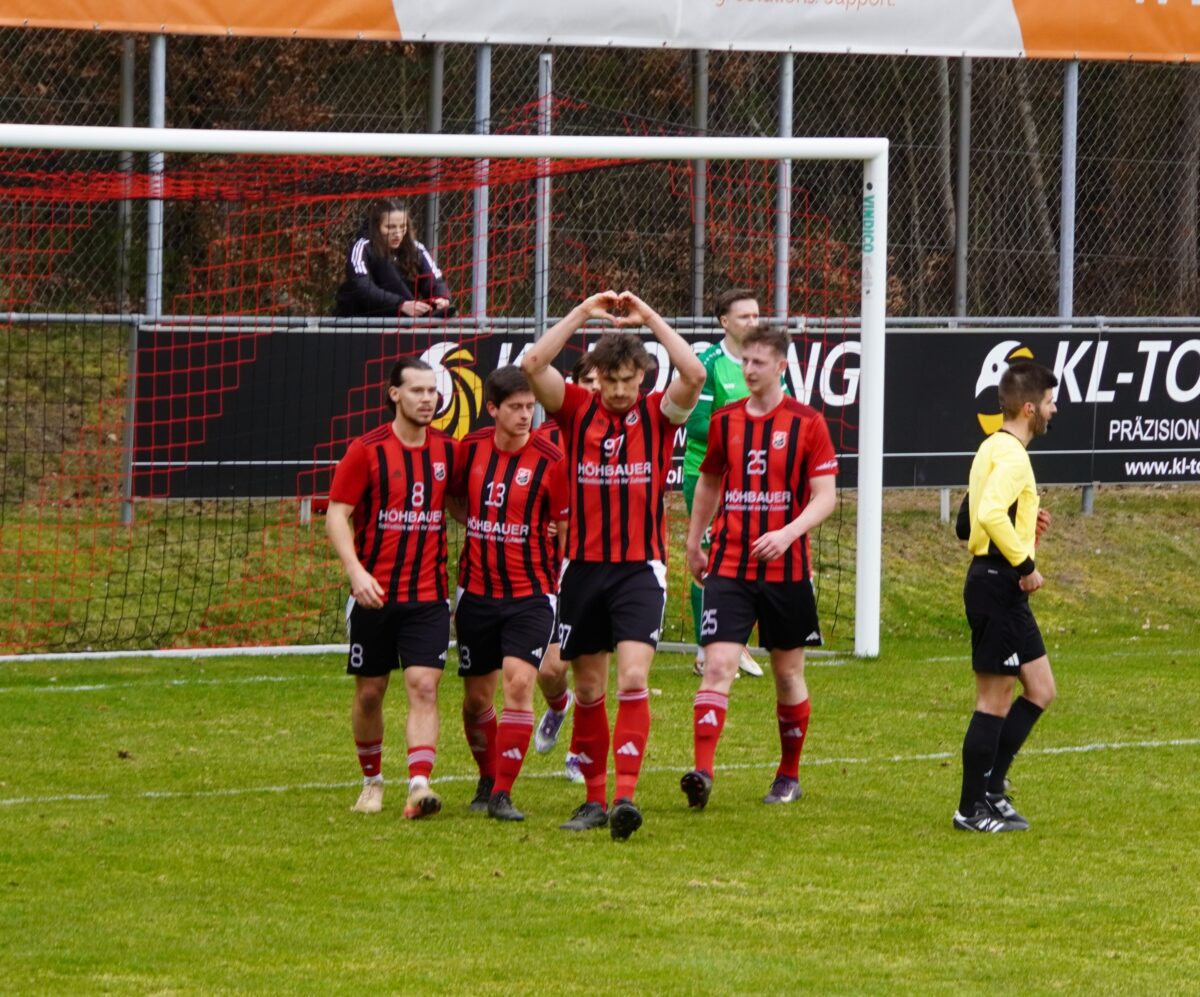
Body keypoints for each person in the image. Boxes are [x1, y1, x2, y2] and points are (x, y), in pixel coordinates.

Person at [522, 290, 706, 840]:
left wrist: (648, 316)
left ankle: (625, 796)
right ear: (596, 378)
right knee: (588, 689)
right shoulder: (575, 412)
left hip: (638, 571)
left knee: (633, 678)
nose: (622, 390)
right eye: (612, 380)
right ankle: (594, 800)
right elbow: (533, 364)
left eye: (630, 380)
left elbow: (694, 373)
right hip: (582, 569)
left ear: (643, 378)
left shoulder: (659, 416)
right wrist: (584, 312)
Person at [681, 325, 838, 810]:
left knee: (787, 675)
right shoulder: (725, 421)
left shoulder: (808, 423)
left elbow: (826, 497)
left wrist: (787, 533)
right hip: (730, 564)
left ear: (781, 367)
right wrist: (693, 542)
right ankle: (702, 773)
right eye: (744, 361)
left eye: (759, 362)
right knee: (717, 666)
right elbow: (709, 482)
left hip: (787, 571)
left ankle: (788, 775)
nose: (749, 370)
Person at [325, 356, 458, 819]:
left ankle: (420, 784)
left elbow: (461, 504)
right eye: (417, 390)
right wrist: (355, 571)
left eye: (432, 391)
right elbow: (336, 513)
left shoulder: (448, 451)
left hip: (428, 596)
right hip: (375, 596)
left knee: (424, 686)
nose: (427, 399)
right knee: (370, 693)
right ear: (394, 394)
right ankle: (371, 781)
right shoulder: (366, 450)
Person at [450, 366, 569, 822]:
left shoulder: (550, 459)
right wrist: (480, 523)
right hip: (476, 591)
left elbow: (566, 524)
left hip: (532, 592)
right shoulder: (471, 448)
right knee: (476, 700)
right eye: (515, 407)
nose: (525, 415)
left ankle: (502, 792)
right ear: (492, 408)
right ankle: (487, 777)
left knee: (519, 684)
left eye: (530, 407)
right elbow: (454, 498)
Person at [953, 360, 1059, 833]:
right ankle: (969, 809)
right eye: (1050, 403)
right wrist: (1026, 565)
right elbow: (989, 514)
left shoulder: (990, 447)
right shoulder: (1013, 457)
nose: (1055, 411)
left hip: (998, 582)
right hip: (999, 583)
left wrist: (1026, 525)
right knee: (993, 701)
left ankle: (993, 789)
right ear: (1030, 408)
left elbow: (966, 522)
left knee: (1041, 689)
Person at [683, 289, 778, 680]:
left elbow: (783, 411)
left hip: (752, 476)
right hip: (707, 476)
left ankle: (735, 643)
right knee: (709, 559)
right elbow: (696, 424)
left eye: (756, 315)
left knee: (749, 558)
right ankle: (704, 650)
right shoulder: (708, 365)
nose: (753, 323)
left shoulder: (767, 363)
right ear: (724, 322)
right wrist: (747, 433)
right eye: (744, 317)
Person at [533, 352, 600, 785]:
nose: (596, 388)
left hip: (598, 567)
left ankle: (580, 754)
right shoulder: (544, 439)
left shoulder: (621, 435)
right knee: (550, 671)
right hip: (546, 571)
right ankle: (559, 706)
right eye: (588, 381)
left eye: (602, 381)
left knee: (590, 671)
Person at [334, 198, 452, 318]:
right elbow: (361, 286)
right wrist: (400, 304)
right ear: (377, 226)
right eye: (390, 227)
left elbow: (435, 280)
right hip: (363, 320)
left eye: (402, 226)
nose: (398, 233)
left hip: (403, 321)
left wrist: (441, 297)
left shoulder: (416, 248)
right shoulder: (362, 247)